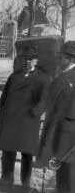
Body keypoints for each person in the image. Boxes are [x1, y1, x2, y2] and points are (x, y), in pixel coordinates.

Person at [0, 45, 49, 189]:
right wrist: (4, 112)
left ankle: (25, 183)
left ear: (36, 61)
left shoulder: (42, 79)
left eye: (30, 59)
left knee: (27, 154)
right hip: (11, 119)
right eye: (24, 59)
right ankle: (6, 178)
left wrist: (34, 113)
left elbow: (45, 101)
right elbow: (4, 97)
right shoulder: (14, 76)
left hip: (28, 122)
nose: (26, 62)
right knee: (8, 151)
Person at [38, 41, 75, 193]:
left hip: (68, 134)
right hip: (59, 130)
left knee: (68, 169)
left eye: (60, 56)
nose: (58, 60)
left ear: (69, 58)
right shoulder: (62, 76)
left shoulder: (69, 77)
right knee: (61, 167)